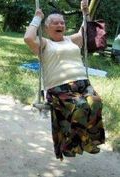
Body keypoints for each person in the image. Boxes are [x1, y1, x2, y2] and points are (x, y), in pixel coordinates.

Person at [24, 0, 105, 161]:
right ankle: (71, 146)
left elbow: (87, 31)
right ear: (47, 28)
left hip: (82, 83)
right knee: (80, 107)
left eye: (62, 22)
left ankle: (90, 141)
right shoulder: (44, 43)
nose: (60, 24)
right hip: (60, 88)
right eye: (55, 22)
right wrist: (37, 18)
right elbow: (28, 38)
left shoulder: (71, 39)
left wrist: (85, 12)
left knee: (95, 102)